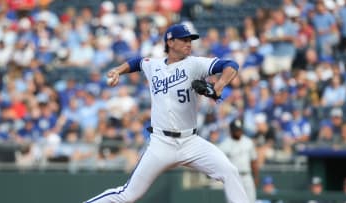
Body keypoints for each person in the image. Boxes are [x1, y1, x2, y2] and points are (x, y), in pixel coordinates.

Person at [83, 24, 250, 203]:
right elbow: (136, 62)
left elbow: (231, 65)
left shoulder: (195, 63)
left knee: (229, 171)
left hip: (190, 142)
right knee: (129, 194)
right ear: (170, 42)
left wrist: (219, 85)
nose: (189, 43)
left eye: (190, 40)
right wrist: (118, 70)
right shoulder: (153, 65)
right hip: (161, 143)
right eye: (184, 39)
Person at [219, 118, 259, 203]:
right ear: (231, 130)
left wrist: (255, 176)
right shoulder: (224, 145)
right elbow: (221, 165)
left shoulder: (248, 142)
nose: (238, 132)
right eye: (236, 130)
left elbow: (254, 161)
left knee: (251, 201)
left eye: (240, 129)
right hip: (233, 178)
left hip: (247, 176)